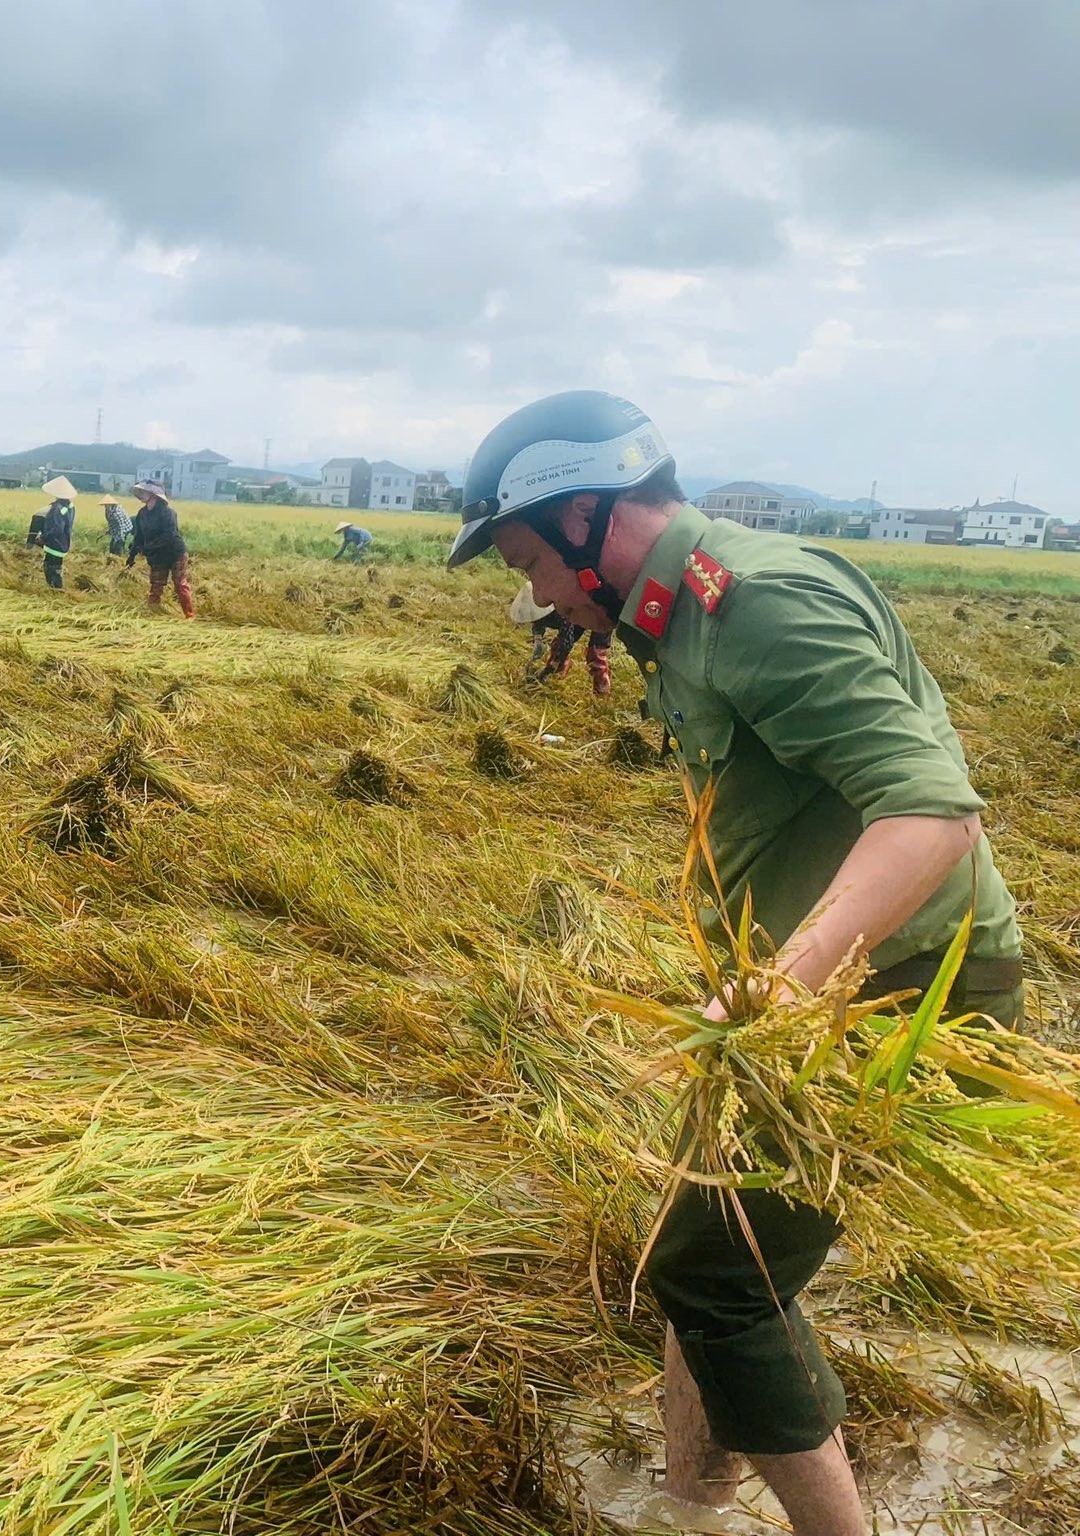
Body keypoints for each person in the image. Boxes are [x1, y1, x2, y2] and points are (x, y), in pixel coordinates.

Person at [448, 390, 1023, 1536]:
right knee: (693, 1228)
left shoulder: (751, 601)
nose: (540, 600)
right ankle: (689, 1496)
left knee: (717, 1274)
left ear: (586, 522)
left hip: (897, 990)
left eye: (533, 562)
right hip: (816, 994)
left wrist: (781, 982)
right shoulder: (682, 612)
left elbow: (928, 813)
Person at [509, 580, 612, 696]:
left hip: (601, 611)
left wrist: (549, 668)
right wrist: (538, 642)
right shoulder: (540, 606)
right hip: (578, 613)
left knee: (596, 654)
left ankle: (601, 693)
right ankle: (556, 677)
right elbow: (538, 624)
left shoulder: (561, 608)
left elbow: (566, 642)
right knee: (557, 647)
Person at [125, 480, 194, 618]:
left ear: (154, 495)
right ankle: (153, 613)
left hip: (175, 553)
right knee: (156, 585)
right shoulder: (142, 514)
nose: (141, 494)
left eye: (145, 491)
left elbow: (170, 535)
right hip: (157, 555)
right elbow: (138, 536)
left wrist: (149, 547)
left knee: (180, 584)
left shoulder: (168, 513)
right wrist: (132, 555)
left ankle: (189, 615)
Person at [31, 475, 77, 589]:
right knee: (57, 567)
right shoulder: (70, 506)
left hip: (54, 544)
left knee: (50, 568)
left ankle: (56, 591)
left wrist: (43, 538)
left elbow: (56, 528)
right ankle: (57, 589)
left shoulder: (56, 508)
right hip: (63, 543)